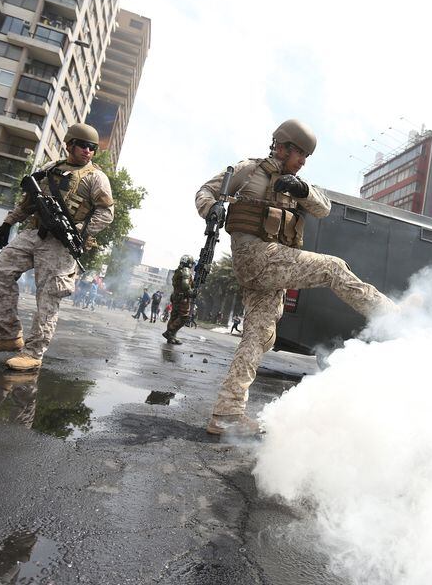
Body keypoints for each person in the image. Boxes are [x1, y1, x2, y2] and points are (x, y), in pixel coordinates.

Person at [195, 119, 396, 436]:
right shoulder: (249, 170)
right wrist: (211, 209)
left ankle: (226, 414)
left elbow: (324, 209)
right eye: (299, 153)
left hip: (268, 267)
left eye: (306, 157)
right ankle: (391, 315)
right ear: (282, 146)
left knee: (258, 336)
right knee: (332, 267)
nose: (302, 162)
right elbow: (206, 191)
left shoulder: (295, 183)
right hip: (255, 257)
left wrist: (303, 190)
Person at [0, 123, 114, 371]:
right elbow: (29, 201)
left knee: (49, 296)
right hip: (34, 232)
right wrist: (8, 222)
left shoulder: (96, 177)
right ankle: (8, 336)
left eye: (92, 147)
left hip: (61, 244)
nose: (88, 151)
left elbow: (106, 214)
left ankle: (33, 352)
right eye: (82, 145)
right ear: (69, 144)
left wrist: (81, 231)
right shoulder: (50, 169)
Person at [162, 255, 194, 344]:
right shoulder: (186, 271)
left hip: (175, 296)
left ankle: (171, 337)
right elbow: (185, 285)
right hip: (182, 298)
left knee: (174, 316)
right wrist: (191, 292)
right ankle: (169, 332)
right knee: (184, 317)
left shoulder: (178, 270)